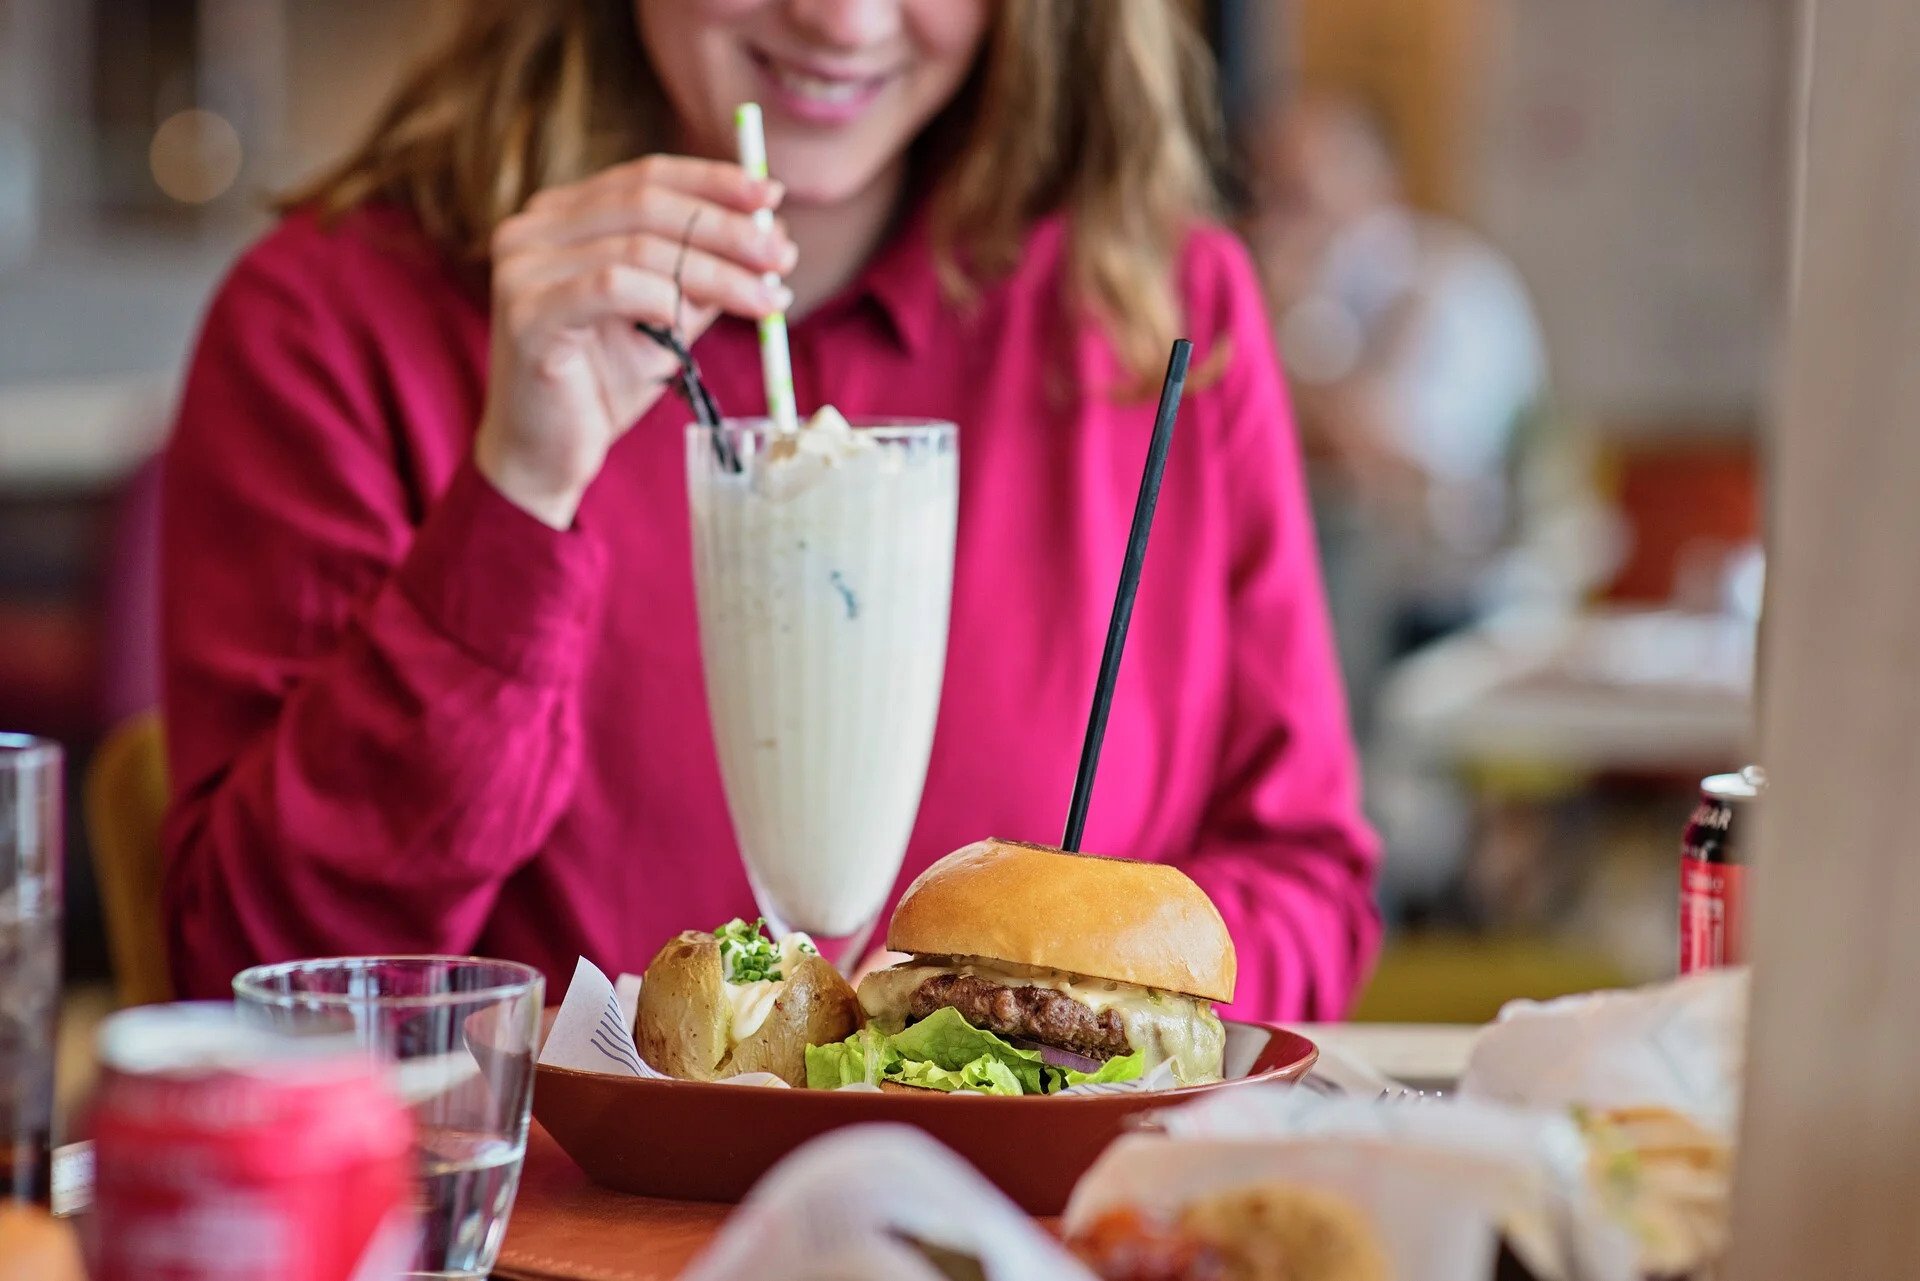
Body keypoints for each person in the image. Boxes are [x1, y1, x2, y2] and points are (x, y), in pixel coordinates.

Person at [160, 0, 1378, 1021]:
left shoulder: (1165, 308)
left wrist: (1047, 1029)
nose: (840, 20)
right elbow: (248, 985)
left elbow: (1310, 885)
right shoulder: (332, 323)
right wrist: (516, 493)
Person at [1245, 92, 1547, 733]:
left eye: (1299, 189)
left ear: (1377, 180)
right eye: (1265, 185)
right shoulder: (1306, 284)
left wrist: (1286, 319)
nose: (1273, 213)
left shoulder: (1446, 288)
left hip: (1454, 626)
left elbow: (1380, 460)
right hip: (1342, 607)